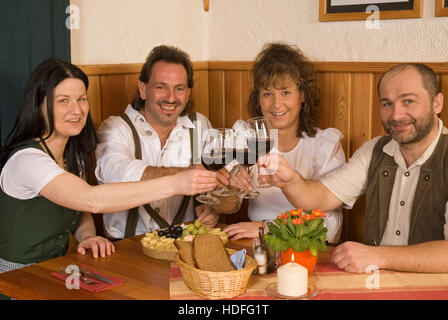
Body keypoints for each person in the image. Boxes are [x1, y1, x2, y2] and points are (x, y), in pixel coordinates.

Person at [0, 58, 217, 273]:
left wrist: (88, 236)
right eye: (63, 101)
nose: (76, 110)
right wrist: (176, 182)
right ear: (39, 106)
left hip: (54, 270)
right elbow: (90, 200)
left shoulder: (72, 157)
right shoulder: (27, 160)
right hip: (16, 276)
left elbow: (80, 209)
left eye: (81, 99)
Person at [259, 63, 448, 273]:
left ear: (437, 103)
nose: (396, 115)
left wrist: (377, 255)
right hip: (374, 284)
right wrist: (289, 180)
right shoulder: (375, 150)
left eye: (408, 101)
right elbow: (322, 198)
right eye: (387, 104)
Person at [95, 45, 228, 240]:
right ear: (143, 89)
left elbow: (221, 192)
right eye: (161, 87)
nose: (171, 97)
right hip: (127, 248)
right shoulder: (116, 128)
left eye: (179, 88)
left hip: (187, 245)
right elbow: (117, 174)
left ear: (188, 92)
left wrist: (211, 208)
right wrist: (186, 174)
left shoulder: (200, 124)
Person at [223, 43, 346, 243]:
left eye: (285, 93)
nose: (276, 104)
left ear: (303, 95)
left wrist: (269, 227)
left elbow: (330, 226)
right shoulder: (245, 138)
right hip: (256, 244)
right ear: (259, 99)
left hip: (306, 247)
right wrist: (232, 185)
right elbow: (224, 206)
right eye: (267, 94)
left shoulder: (323, 144)